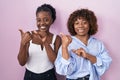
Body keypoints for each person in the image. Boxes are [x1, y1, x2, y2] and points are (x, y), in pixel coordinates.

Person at [55, 9, 112, 80]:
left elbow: (105, 64)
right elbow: (63, 70)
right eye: (77, 23)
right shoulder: (67, 43)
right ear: (72, 25)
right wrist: (64, 47)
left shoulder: (98, 44)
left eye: (84, 22)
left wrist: (87, 56)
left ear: (90, 24)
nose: (80, 26)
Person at [17, 4, 61, 80]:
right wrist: (22, 44)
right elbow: (22, 63)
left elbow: (56, 62)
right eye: (39, 20)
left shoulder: (56, 39)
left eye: (46, 20)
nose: (42, 23)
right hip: (29, 76)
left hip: (49, 76)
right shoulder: (28, 36)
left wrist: (45, 42)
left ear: (52, 20)